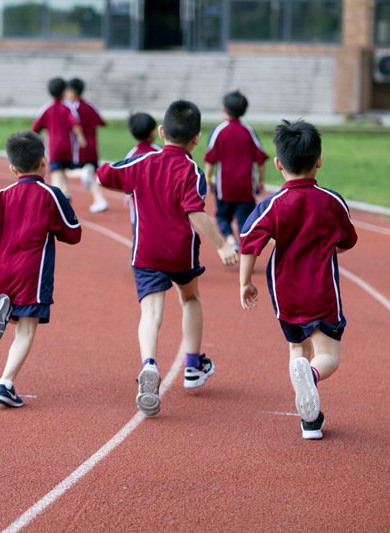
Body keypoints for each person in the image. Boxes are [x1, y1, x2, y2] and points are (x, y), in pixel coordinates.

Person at [97, 100, 238, 416]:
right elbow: (195, 213)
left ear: (161, 132)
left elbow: (104, 175)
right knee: (190, 300)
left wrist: (129, 183)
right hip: (180, 252)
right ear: (197, 139)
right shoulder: (193, 171)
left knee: (150, 312)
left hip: (146, 251)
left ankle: (148, 362)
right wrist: (221, 246)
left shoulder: (142, 162)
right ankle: (192, 366)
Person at [239, 119, 358, 440]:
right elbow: (348, 240)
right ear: (319, 160)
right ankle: (314, 377)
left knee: (297, 350)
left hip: (285, 292)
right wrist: (331, 247)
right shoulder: (331, 201)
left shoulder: (272, 205)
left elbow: (249, 242)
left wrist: (244, 282)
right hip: (322, 290)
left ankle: (311, 420)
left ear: (278, 164)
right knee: (329, 354)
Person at [0, 131, 82, 408]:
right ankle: (5, 383)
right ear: (44, 162)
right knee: (26, 330)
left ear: (12, 168)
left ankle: (7, 308)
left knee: (19, 314)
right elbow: (73, 234)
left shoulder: (2, 195)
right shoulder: (51, 194)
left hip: (1, 269)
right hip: (32, 272)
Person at [204, 90, 269, 252]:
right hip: (246, 187)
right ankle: (246, 252)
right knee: (245, 222)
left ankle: (230, 239)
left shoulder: (218, 131)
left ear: (223, 108)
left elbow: (210, 160)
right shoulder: (249, 131)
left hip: (225, 187)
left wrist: (208, 180)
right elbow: (260, 160)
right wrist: (261, 181)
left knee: (222, 216)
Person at [32, 77, 86, 200]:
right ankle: (66, 190)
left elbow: (35, 128)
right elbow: (75, 124)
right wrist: (81, 138)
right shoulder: (68, 108)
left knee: (56, 172)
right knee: (65, 170)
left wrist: (38, 140)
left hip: (53, 147)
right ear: (64, 91)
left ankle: (57, 197)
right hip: (68, 147)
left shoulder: (46, 109)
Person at [65, 78, 109, 213]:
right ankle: (99, 200)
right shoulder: (90, 106)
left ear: (73, 92)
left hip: (79, 148)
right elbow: (102, 122)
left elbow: (72, 125)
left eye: (67, 91)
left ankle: (97, 199)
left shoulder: (72, 109)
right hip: (92, 147)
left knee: (67, 172)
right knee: (90, 174)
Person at [123, 112, 162, 226]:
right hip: (162, 211)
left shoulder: (130, 157)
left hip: (139, 216)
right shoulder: (160, 152)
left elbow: (126, 186)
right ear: (152, 133)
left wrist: (127, 194)